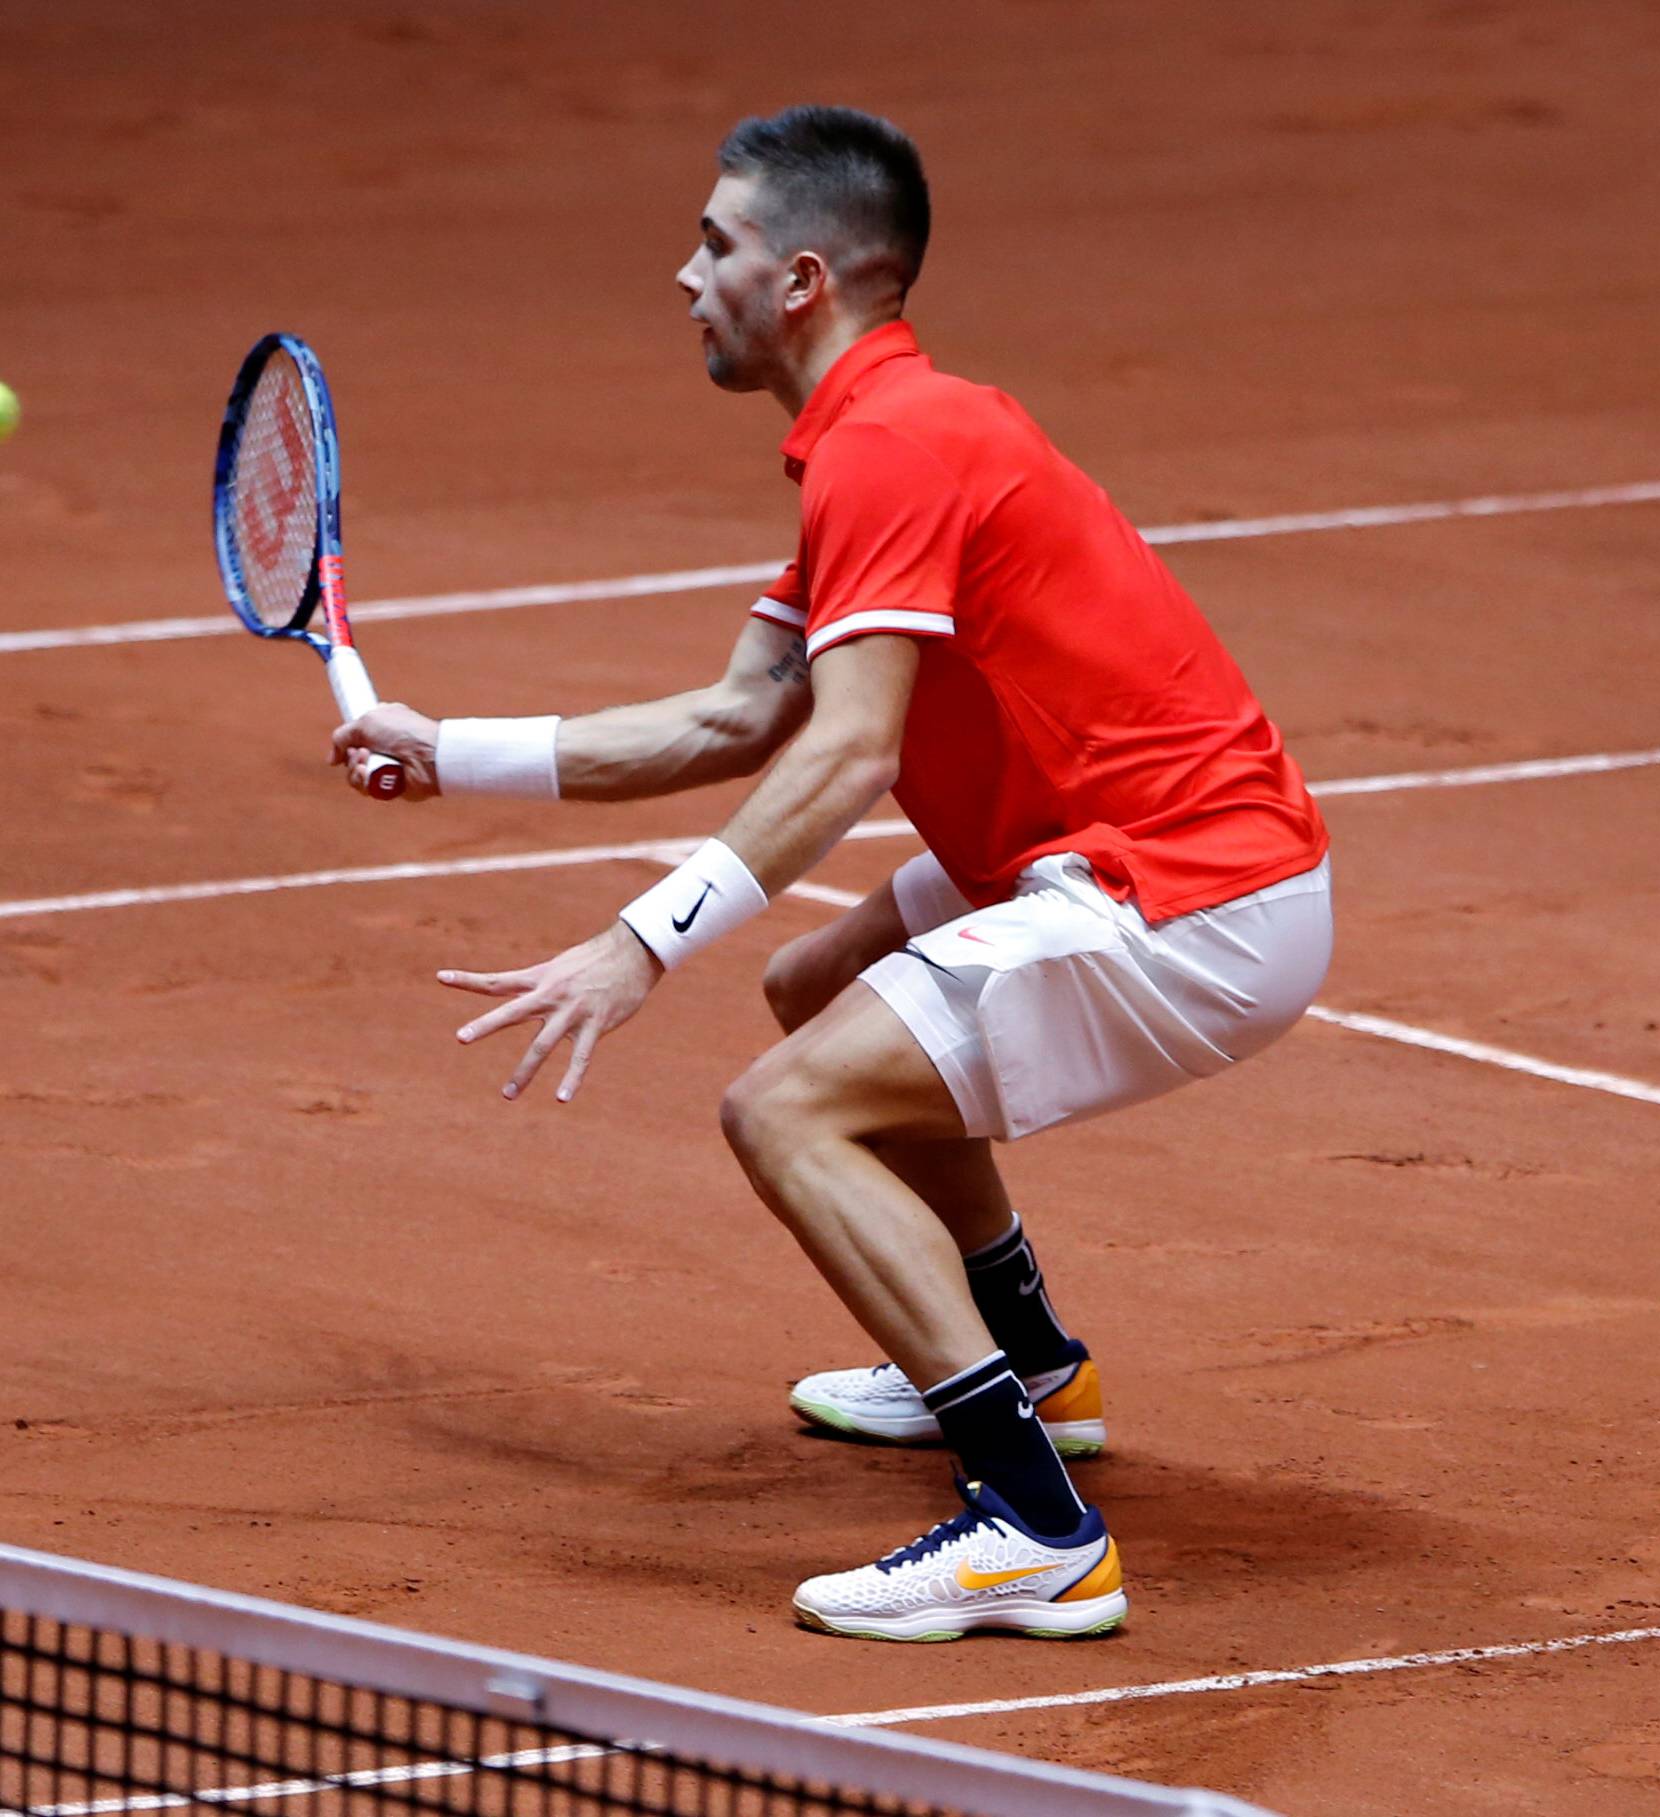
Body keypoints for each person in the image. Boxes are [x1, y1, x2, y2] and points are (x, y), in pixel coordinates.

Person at [333, 106, 1332, 1643]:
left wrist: (639, 940)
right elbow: (739, 715)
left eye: (716, 244)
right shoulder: (886, 432)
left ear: (803, 280)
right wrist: (447, 746)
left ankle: (1034, 1525)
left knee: (783, 1104)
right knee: (810, 985)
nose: (686, 275)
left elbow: (852, 751)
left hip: (1186, 892)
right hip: (1112, 853)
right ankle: (1037, 1370)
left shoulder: (889, 446)